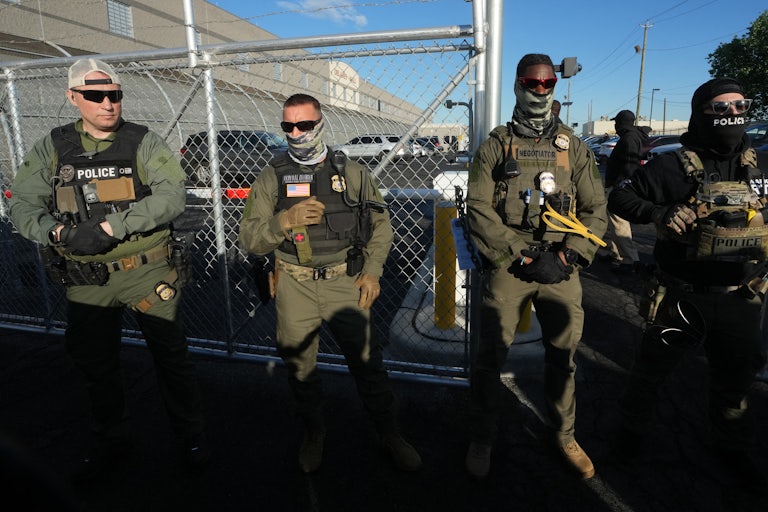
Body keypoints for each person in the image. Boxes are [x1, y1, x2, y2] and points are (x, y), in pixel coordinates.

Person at [8, 58, 208, 481]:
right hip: (86, 278)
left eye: (114, 95)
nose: (107, 103)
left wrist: (109, 227)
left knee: (172, 358)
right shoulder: (54, 146)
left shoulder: (142, 142)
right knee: (96, 364)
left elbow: (172, 196)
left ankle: (191, 435)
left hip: (148, 272)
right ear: (73, 98)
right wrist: (58, 234)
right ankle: (112, 438)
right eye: (95, 95)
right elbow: (21, 203)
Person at [238, 93, 421, 473]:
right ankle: (314, 432)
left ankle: (389, 433)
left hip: (344, 283)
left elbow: (381, 226)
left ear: (321, 125)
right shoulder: (271, 176)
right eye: (288, 126)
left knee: (368, 364)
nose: (296, 133)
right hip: (294, 285)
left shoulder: (352, 173)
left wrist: (372, 271)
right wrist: (283, 222)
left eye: (305, 125)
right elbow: (250, 239)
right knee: (300, 368)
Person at [608, 77, 768, 493]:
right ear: (702, 113)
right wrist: (661, 212)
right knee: (649, 374)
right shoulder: (672, 165)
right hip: (683, 297)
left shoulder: (762, 166)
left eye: (739, 106)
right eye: (720, 108)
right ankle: (629, 437)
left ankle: (731, 447)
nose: (732, 115)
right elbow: (620, 198)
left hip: (743, 299)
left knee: (735, 382)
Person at [464, 53, 608, 480]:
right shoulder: (494, 145)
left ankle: (564, 435)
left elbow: (596, 207)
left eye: (547, 84)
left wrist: (568, 256)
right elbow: (476, 207)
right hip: (511, 265)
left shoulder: (573, 147)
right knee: (490, 357)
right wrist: (517, 253)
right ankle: (482, 436)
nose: (540, 91)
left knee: (562, 356)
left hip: (561, 266)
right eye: (532, 83)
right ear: (517, 85)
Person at [602, 109, 645, 273]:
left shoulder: (630, 138)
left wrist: (622, 185)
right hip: (618, 185)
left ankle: (630, 260)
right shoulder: (629, 137)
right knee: (614, 223)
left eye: (616, 122)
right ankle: (617, 254)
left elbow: (630, 165)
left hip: (621, 188)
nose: (615, 125)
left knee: (620, 224)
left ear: (621, 123)